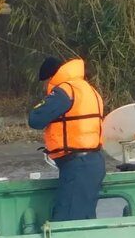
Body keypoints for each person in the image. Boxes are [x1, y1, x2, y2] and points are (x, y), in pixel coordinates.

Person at [27, 56, 106, 221]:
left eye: (44, 83)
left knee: (67, 221)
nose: (44, 87)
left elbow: (35, 119)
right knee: (83, 217)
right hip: (92, 161)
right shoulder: (88, 89)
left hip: (78, 165)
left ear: (50, 77)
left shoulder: (64, 91)